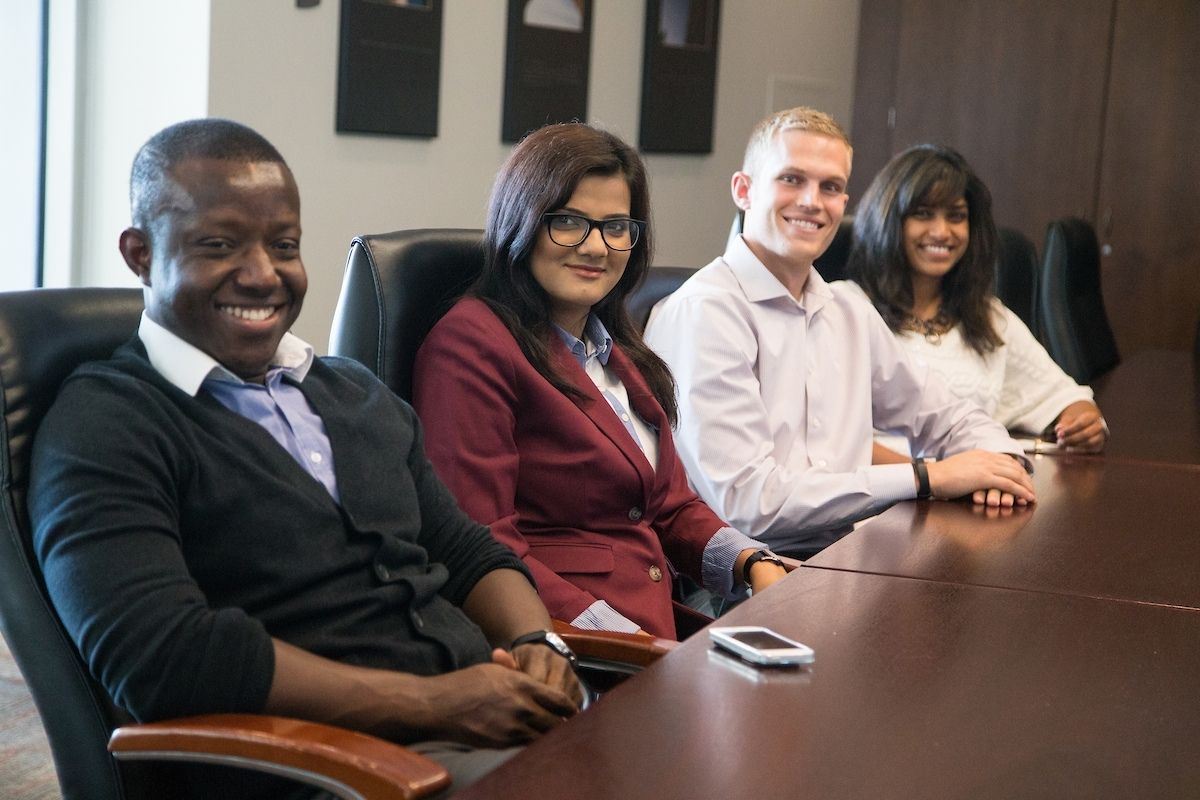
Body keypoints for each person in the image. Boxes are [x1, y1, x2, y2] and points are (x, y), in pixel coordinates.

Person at [28, 119, 582, 798]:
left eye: (283, 244)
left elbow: (466, 551)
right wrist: (440, 704)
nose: (263, 274)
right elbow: (163, 658)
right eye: (220, 245)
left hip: (483, 735)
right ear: (140, 254)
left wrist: (536, 643)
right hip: (332, 770)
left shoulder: (352, 391)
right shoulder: (106, 425)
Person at [412, 123, 787, 639]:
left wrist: (750, 561)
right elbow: (481, 541)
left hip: (651, 633)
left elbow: (670, 507)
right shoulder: (471, 344)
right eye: (568, 222)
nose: (595, 247)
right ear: (520, 221)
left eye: (616, 227)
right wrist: (616, 637)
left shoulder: (611, 345)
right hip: (569, 644)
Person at [643, 107, 1037, 558]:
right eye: (792, 179)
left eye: (830, 187)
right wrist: (928, 477)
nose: (812, 201)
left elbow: (944, 415)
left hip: (849, 560)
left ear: (844, 205)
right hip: (745, 580)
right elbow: (748, 505)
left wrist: (1000, 465)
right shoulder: (705, 313)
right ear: (744, 190)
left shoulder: (847, 310)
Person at [843, 143, 1107, 456]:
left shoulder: (987, 316)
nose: (942, 232)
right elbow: (831, 442)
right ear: (888, 220)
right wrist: (939, 477)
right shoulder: (847, 309)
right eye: (923, 214)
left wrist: (1084, 422)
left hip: (972, 492)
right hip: (880, 498)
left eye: (956, 216)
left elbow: (1063, 396)